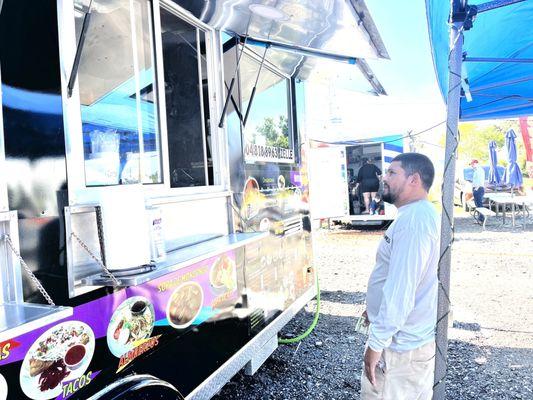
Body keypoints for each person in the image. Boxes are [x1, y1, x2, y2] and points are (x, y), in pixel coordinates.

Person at [360, 153, 440, 400]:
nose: (384, 178)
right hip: (408, 345)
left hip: (399, 351)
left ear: (414, 179)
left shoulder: (413, 222)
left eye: (392, 173)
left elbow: (401, 290)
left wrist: (376, 344)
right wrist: (374, 309)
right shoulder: (418, 214)